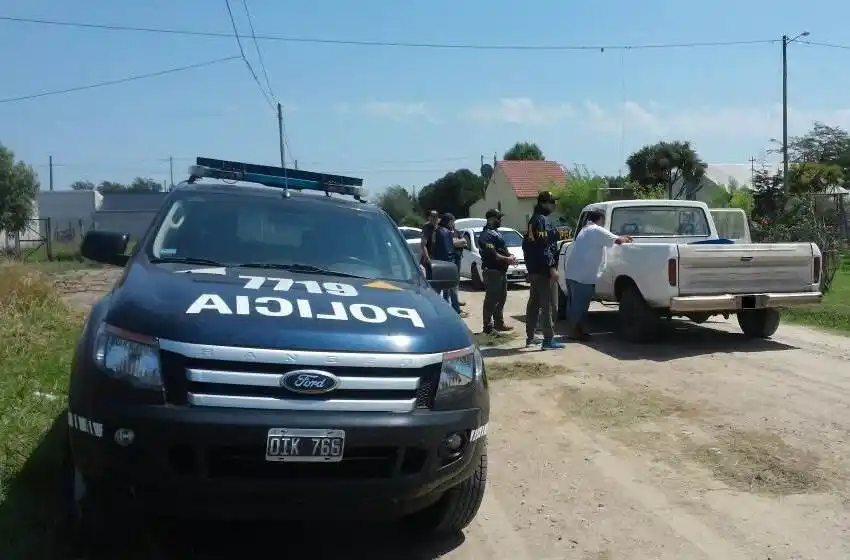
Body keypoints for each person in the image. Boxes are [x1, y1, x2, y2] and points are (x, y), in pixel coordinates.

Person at [563, 210, 632, 340]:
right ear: (600, 219)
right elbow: (617, 240)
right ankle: (575, 333)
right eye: (603, 220)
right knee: (580, 305)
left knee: (575, 304)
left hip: (575, 273)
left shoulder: (585, 230)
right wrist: (626, 238)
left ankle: (576, 331)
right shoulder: (596, 230)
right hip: (583, 276)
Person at [522, 191, 564, 349]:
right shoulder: (542, 220)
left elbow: (527, 246)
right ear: (543, 203)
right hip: (543, 270)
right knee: (548, 304)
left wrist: (530, 268)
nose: (554, 205)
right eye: (552, 202)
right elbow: (545, 247)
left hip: (534, 269)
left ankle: (531, 337)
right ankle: (548, 339)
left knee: (534, 303)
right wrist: (552, 267)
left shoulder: (533, 221)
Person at [478, 209, 516, 335]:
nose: (500, 220)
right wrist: (507, 259)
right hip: (492, 271)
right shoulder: (485, 235)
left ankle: (499, 323)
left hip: (501, 271)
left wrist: (510, 256)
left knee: (502, 298)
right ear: (491, 219)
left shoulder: (496, 233)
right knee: (491, 299)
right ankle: (488, 327)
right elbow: (493, 254)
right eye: (498, 218)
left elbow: (501, 249)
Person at [433, 213, 468, 317]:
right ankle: (456, 310)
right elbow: (449, 249)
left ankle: (443, 310)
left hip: (440, 263)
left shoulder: (438, 231)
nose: (453, 223)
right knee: (452, 287)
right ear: (448, 221)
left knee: (444, 289)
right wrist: (451, 265)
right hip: (449, 263)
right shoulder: (446, 232)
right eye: (452, 221)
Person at [420, 209, 440, 283]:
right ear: (429, 217)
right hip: (429, 258)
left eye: (435, 216)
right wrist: (427, 257)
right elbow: (423, 244)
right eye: (432, 216)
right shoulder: (426, 228)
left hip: (439, 257)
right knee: (430, 280)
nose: (433, 218)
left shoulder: (440, 226)